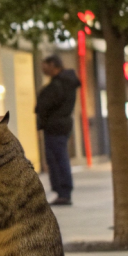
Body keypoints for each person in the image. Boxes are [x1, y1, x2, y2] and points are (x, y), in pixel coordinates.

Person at [34, 55, 80, 206]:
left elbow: (48, 104)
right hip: (57, 125)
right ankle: (62, 192)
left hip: (56, 126)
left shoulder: (60, 84)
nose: (43, 69)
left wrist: (42, 109)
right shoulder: (63, 82)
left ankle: (64, 193)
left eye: (45, 66)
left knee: (58, 159)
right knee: (56, 159)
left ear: (53, 65)